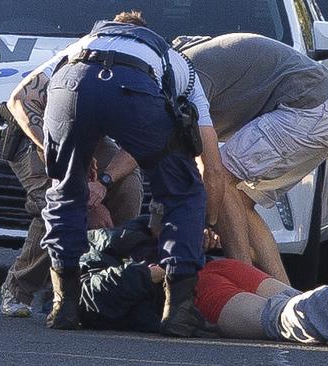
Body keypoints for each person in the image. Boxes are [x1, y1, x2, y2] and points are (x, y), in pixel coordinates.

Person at [38, 11, 223, 334]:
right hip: (133, 87)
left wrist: (79, 158)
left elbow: (37, 97)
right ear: (145, 33)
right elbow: (211, 163)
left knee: (66, 191)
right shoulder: (175, 61)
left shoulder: (80, 44)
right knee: (182, 192)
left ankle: (64, 305)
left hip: (68, 84)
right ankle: (178, 311)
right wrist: (207, 223)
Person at [78, 212, 328, 349]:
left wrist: (197, 237)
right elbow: (94, 298)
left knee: (278, 316)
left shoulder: (125, 232)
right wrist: (154, 270)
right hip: (198, 280)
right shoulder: (89, 250)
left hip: (203, 282)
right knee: (295, 303)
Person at [174, 34, 328, 285]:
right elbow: (190, 161)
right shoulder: (189, 62)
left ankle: (244, 286)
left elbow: (211, 173)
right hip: (326, 110)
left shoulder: (184, 76)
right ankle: (284, 297)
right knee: (239, 200)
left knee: (223, 178)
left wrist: (209, 221)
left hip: (308, 109)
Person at [0, 55, 143, 317]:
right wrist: (84, 192)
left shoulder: (142, 77)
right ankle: (19, 289)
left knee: (129, 187)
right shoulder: (77, 58)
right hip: (39, 136)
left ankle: (107, 276)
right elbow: (19, 100)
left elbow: (138, 144)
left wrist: (104, 183)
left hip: (89, 138)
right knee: (59, 199)